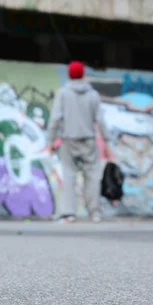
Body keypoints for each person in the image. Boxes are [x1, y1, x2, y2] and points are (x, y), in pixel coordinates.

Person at [46, 60, 113, 223]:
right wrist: (107, 143)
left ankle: (69, 212)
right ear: (82, 74)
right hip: (89, 141)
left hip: (69, 140)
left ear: (69, 74)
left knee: (69, 175)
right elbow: (100, 120)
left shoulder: (63, 93)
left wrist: (50, 141)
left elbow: (55, 118)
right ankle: (94, 213)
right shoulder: (93, 95)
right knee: (92, 176)